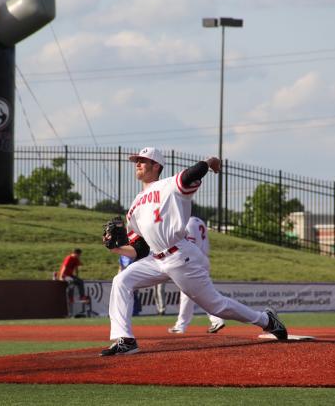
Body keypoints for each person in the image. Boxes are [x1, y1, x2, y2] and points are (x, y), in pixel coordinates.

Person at [100, 147, 287, 356]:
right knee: (121, 281)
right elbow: (140, 249)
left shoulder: (170, 185)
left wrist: (209, 162)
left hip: (180, 255)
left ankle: (266, 320)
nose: (137, 164)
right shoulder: (134, 205)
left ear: (156, 166)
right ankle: (125, 340)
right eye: (137, 160)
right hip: (156, 259)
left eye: (143, 160)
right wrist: (116, 249)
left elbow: (193, 173)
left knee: (216, 306)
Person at [168, 216, 226, 334]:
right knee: (201, 292)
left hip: (194, 259)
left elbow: (190, 244)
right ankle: (216, 319)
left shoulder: (187, 223)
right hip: (203, 258)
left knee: (187, 292)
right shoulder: (199, 221)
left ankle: (181, 325)